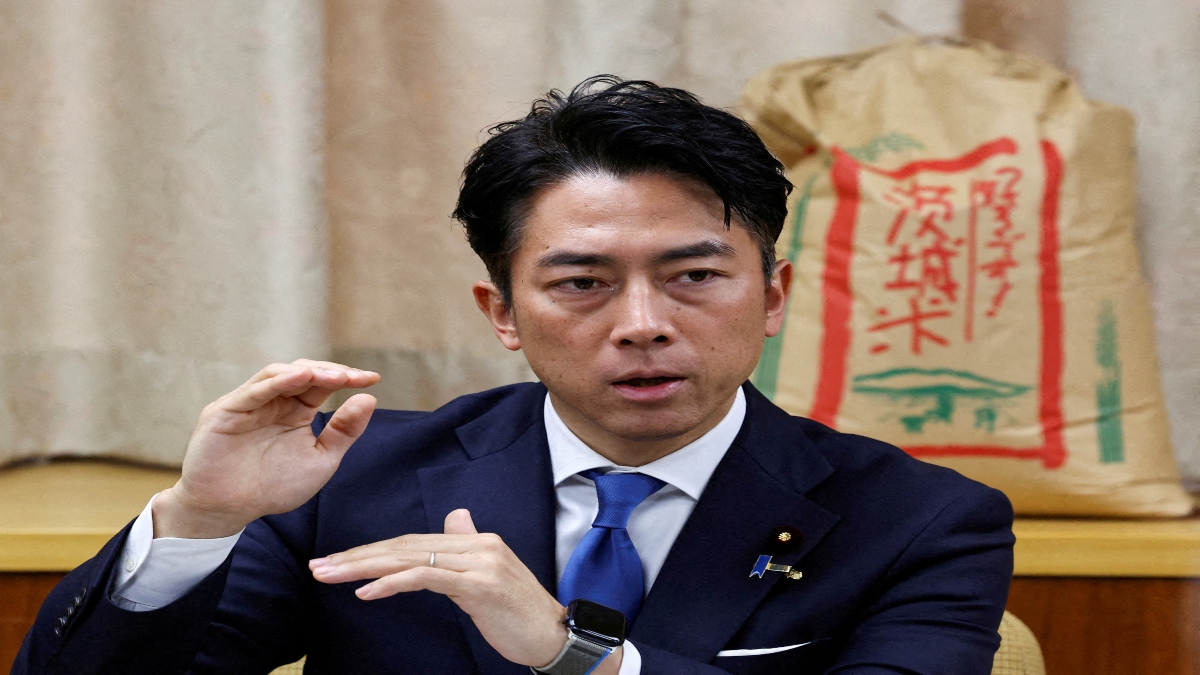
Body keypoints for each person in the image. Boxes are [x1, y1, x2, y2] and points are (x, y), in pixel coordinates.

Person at [15, 76, 1014, 675]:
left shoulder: (923, 522)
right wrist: (197, 522)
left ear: (775, 294)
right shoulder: (350, 482)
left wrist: (573, 657)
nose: (642, 326)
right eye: (582, 282)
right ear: (501, 314)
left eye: (694, 277)